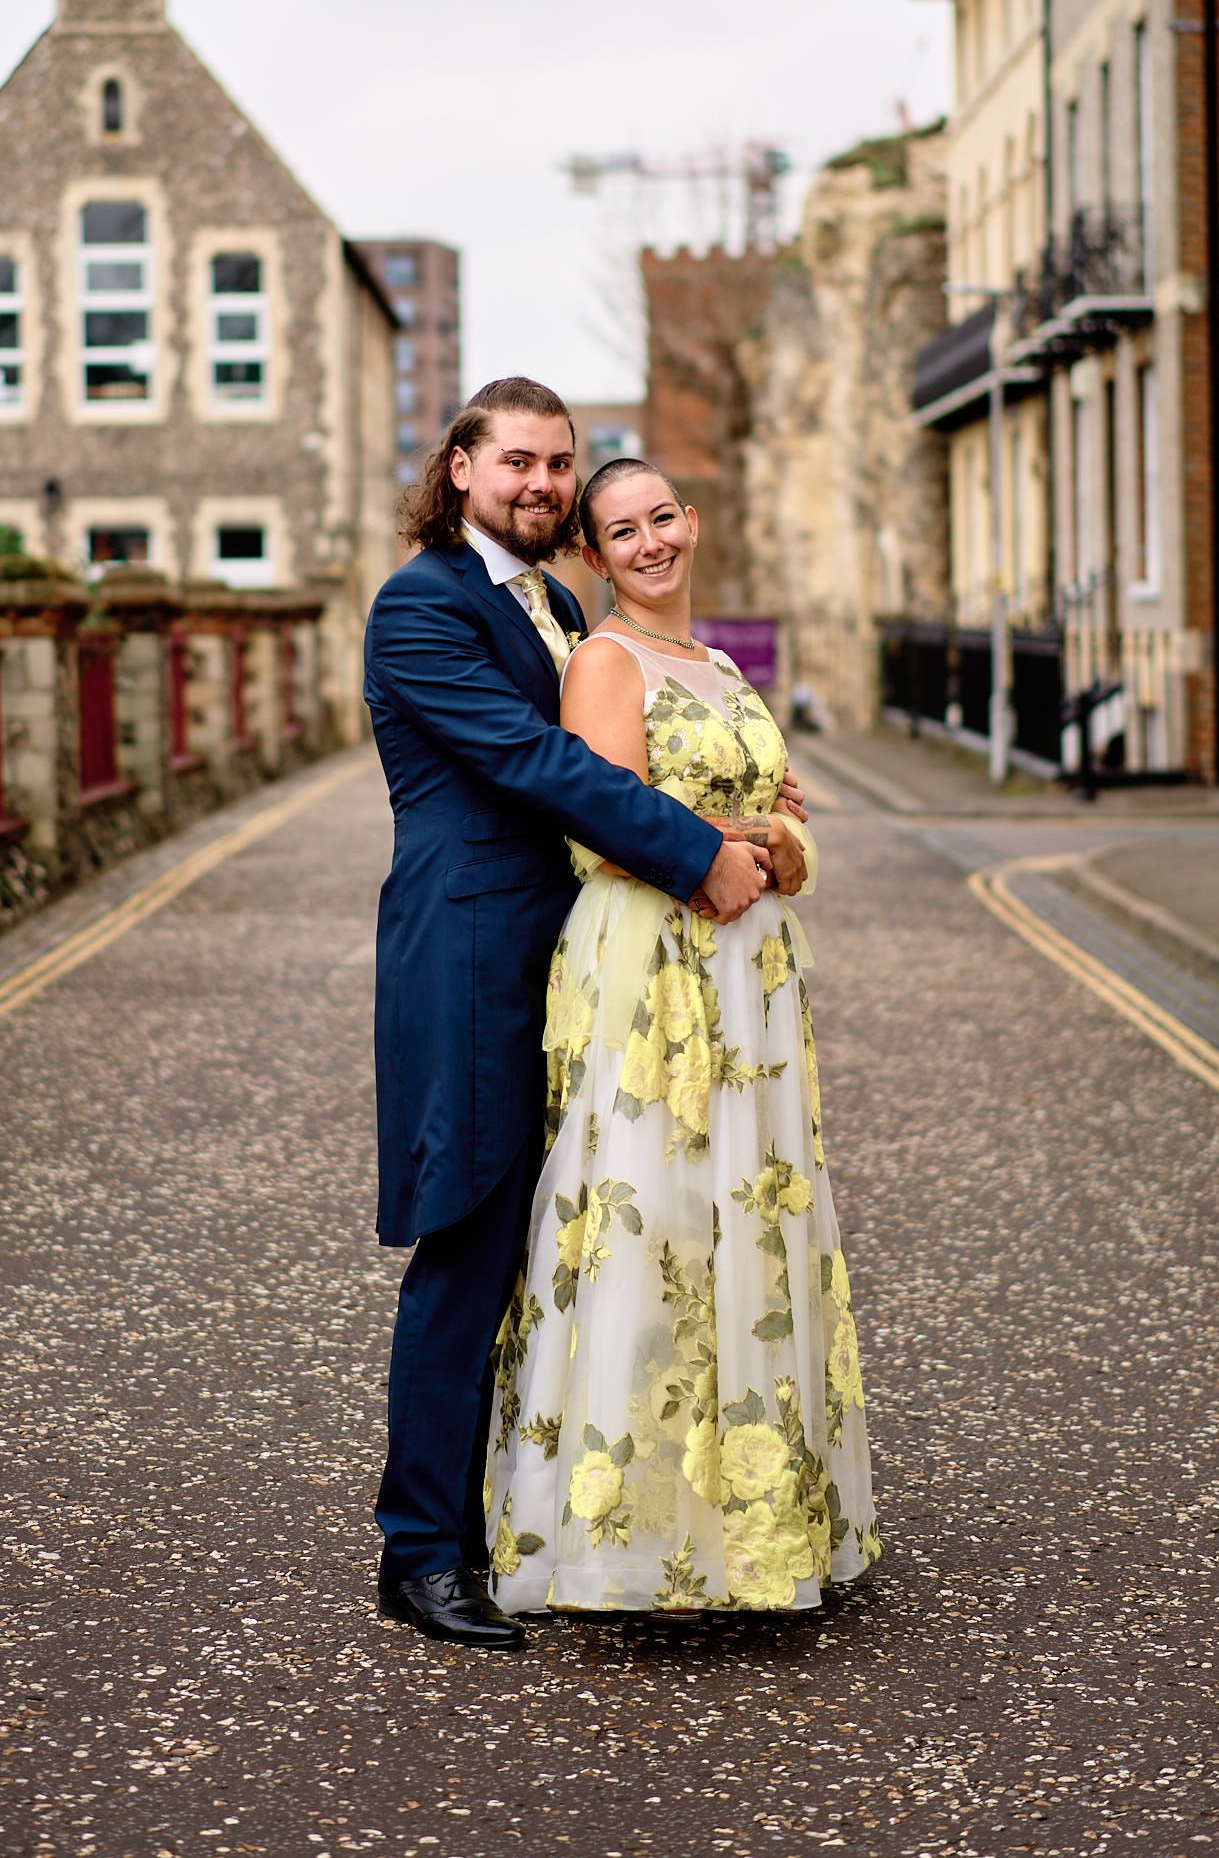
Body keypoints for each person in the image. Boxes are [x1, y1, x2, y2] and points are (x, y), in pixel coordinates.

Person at [363, 379, 793, 1651]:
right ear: (457, 468)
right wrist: (701, 855)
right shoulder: (420, 609)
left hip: (582, 973)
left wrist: (753, 827)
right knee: (472, 1245)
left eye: (557, 464)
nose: (540, 484)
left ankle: (520, 1509)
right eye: (515, 463)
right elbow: (538, 765)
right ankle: (420, 1552)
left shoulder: (550, 602)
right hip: (473, 957)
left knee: (566, 1246)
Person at [485, 456, 880, 1617]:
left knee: (746, 1219)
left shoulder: (717, 668)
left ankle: (746, 1532)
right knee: (649, 1216)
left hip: (750, 976)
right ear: (595, 557)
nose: (650, 542)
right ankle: (629, 1541)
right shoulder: (604, 663)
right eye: (622, 530)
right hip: (652, 974)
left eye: (662, 517)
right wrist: (751, 838)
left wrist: (771, 846)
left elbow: (794, 827)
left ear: (691, 524)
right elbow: (605, 832)